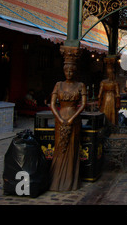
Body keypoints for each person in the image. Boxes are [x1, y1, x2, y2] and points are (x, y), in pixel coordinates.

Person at [49, 46, 87, 191]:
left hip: (74, 119)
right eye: (66, 70)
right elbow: (52, 104)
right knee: (60, 147)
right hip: (61, 118)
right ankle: (56, 180)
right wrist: (58, 117)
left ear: (75, 71)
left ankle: (70, 180)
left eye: (71, 70)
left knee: (72, 148)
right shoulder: (58, 85)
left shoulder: (80, 85)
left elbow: (83, 105)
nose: (69, 73)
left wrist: (72, 119)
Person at [98, 57, 121, 125]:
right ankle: (112, 124)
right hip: (112, 97)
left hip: (106, 97)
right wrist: (118, 103)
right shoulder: (115, 83)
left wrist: (99, 102)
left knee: (104, 110)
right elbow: (118, 94)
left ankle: (105, 124)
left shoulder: (103, 82)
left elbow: (100, 94)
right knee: (112, 112)